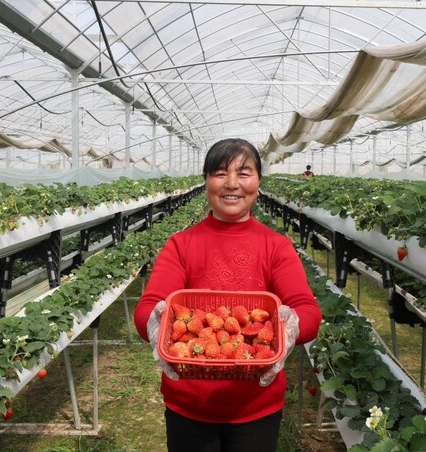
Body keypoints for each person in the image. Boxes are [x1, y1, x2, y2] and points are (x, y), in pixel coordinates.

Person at [134, 138, 322, 452]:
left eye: (244, 173)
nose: (231, 184)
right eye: (220, 173)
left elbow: (309, 311)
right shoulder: (181, 244)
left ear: (259, 182)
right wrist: (155, 322)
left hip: (256, 406)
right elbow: (148, 308)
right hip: (189, 404)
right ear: (206, 180)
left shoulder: (276, 246)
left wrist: (292, 325)